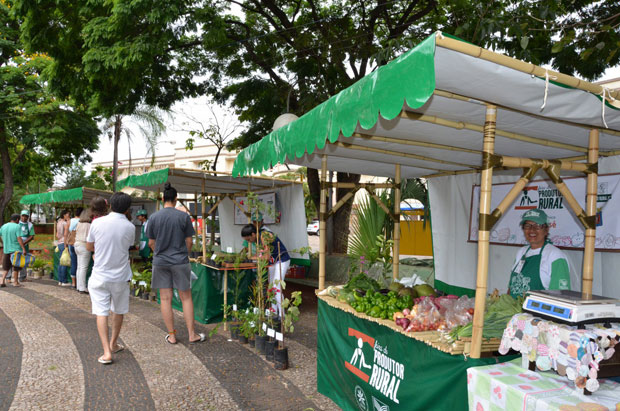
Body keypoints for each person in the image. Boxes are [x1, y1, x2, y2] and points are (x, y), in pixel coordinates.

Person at [147, 182, 206, 345]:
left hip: (160, 262)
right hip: (180, 261)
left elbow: (151, 243)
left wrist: (159, 254)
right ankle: (192, 334)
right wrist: (182, 254)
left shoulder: (154, 217)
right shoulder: (183, 216)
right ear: (176, 199)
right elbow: (189, 242)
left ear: (162, 198)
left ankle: (172, 336)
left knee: (165, 299)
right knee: (186, 298)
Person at [86, 192, 135, 364]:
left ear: (110, 205)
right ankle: (114, 343)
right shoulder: (130, 227)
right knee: (118, 310)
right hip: (120, 276)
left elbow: (89, 246)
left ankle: (106, 352)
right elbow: (127, 246)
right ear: (127, 208)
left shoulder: (97, 222)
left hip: (100, 275)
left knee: (101, 312)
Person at [508, 209, 571, 297]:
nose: (532, 230)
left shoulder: (555, 256)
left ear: (546, 230)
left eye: (537, 226)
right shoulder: (521, 252)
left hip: (534, 310)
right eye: (527, 226)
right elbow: (511, 287)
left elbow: (560, 296)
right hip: (513, 309)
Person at [241, 223, 290, 316]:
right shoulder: (256, 239)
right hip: (273, 261)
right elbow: (262, 255)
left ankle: (282, 315)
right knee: (271, 287)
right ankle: (274, 312)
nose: (249, 242)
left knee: (276, 287)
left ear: (253, 234)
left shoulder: (264, 235)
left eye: (248, 239)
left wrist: (253, 258)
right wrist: (253, 257)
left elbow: (266, 257)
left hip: (282, 260)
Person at [0, 214, 26, 287]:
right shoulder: (17, 226)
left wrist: (3, 242)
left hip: (6, 249)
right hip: (16, 250)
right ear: (17, 219)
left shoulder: (4, 226)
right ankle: (15, 282)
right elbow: (19, 238)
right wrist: (23, 248)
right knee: (16, 267)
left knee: (6, 267)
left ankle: (2, 281)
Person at [74, 209, 93, 294]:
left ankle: (79, 286)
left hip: (76, 244)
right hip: (84, 245)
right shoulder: (89, 225)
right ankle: (82, 287)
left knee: (79, 267)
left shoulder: (78, 223)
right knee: (83, 267)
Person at [17, 210, 35, 282]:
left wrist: (23, 243)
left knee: (24, 261)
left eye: (26, 216)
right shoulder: (17, 223)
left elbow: (31, 236)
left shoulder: (30, 225)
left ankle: (23, 277)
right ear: (20, 216)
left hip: (25, 245)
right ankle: (8, 277)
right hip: (16, 244)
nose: (24, 218)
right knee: (14, 259)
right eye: (23, 216)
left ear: (28, 217)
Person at [68, 207, 83, 288]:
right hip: (79, 243)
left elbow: (67, 232)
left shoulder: (70, 220)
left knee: (73, 263)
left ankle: (73, 283)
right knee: (81, 265)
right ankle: (80, 284)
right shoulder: (82, 221)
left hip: (71, 243)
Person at [56, 209, 72, 286]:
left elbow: (57, 235)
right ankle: (64, 281)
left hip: (59, 242)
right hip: (64, 242)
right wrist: (66, 244)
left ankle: (60, 280)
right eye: (68, 214)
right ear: (64, 215)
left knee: (60, 262)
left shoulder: (58, 222)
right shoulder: (65, 223)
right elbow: (66, 234)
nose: (69, 216)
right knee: (64, 262)